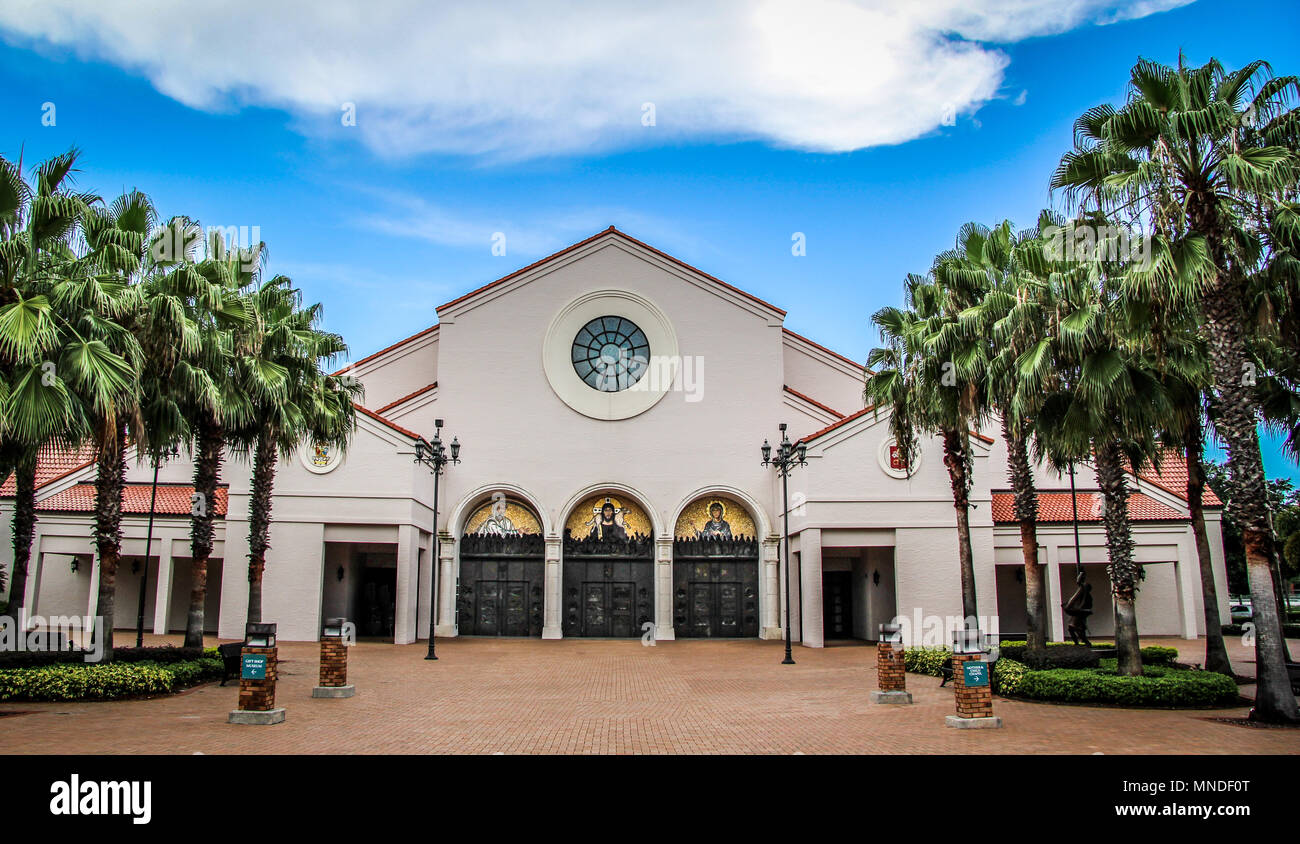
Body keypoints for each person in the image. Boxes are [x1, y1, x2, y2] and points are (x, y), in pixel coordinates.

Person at [1063, 571, 1094, 647]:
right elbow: (1079, 582)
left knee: (1076, 628)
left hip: (1080, 614)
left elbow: (1079, 582)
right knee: (1072, 628)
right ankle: (1078, 643)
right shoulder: (1082, 595)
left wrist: (1081, 574)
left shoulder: (1088, 597)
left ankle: (1086, 643)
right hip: (1078, 613)